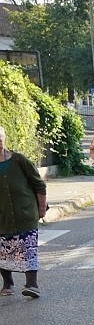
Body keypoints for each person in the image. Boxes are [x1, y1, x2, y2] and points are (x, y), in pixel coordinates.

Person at [0, 126, 48, 298]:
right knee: (3, 250)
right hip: (2, 216)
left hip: (25, 213)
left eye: (0, 139)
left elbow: (39, 184)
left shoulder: (19, 160)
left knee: (28, 249)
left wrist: (41, 208)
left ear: (4, 139)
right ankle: (8, 283)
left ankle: (31, 284)